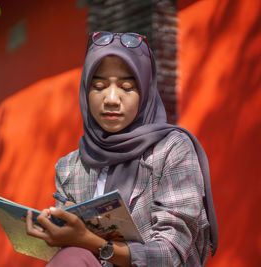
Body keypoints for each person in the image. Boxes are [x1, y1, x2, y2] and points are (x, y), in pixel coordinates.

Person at [26, 32, 218, 267]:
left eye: (127, 87)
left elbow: (171, 254)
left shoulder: (172, 150)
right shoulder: (70, 167)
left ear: (145, 91)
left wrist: (91, 242)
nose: (112, 99)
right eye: (99, 86)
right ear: (86, 91)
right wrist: (53, 233)